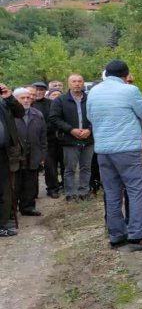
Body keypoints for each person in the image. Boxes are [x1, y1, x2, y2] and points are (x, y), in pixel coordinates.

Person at [86, 60, 142, 251]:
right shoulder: (130, 90)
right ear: (126, 75)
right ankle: (137, 235)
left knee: (111, 193)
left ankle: (116, 236)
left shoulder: (94, 92)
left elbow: (90, 117)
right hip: (126, 148)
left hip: (103, 149)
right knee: (135, 189)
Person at [49, 74, 93, 202]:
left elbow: (98, 116)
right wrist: (70, 130)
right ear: (68, 84)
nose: (77, 84)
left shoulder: (90, 99)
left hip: (88, 139)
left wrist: (90, 130)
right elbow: (54, 118)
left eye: (79, 81)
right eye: (74, 81)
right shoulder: (60, 100)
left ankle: (84, 191)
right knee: (70, 168)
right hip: (70, 139)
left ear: (83, 83)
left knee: (86, 167)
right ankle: (70, 193)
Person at [13, 87, 46, 217]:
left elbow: (43, 137)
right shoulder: (9, 114)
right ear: (15, 100)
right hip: (15, 155)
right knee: (15, 184)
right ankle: (11, 210)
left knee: (31, 182)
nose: (26, 100)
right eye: (23, 98)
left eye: (28, 98)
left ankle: (28, 207)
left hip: (33, 153)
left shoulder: (37, 114)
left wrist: (43, 154)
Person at [0, 82, 25, 237]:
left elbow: (20, 113)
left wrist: (9, 97)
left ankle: (2, 224)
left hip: (4, 152)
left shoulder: (4, 101)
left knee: (4, 189)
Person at [31, 82, 61, 198]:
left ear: (45, 91)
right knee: (31, 167)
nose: (38, 92)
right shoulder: (28, 102)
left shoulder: (51, 104)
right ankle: (32, 192)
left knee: (50, 165)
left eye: (41, 90)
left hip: (48, 139)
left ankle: (53, 188)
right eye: (36, 90)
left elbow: (53, 120)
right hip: (30, 140)